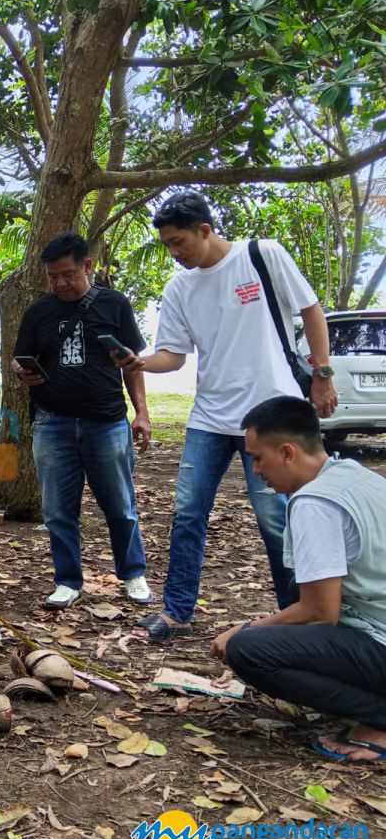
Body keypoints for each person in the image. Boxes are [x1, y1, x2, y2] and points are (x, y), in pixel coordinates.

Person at [117, 190, 339, 643]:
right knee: (187, 513)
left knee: (276, 518)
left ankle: (296, 615)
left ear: (204, 230)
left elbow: (311, 310)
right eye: (166, 246)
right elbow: (174, 357)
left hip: (270, 415)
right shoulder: (179, 288)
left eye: (178, 242)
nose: (174, 254)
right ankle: (178, 611)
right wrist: (138, 362)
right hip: (209, 418)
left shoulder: (260, 255)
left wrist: (323, 374)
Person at [213, 397, 386, 762]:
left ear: (288, 452)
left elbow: (322, 613)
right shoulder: (352, 473)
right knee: (293, 595)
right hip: (375, 619)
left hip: (380, 637)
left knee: (249, 650)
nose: (255, 470)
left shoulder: (314, 503)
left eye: (258, 457)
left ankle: (379, 720)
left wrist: (246, 628)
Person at [13, 232, 152, 611]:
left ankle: (133, 573)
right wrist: (22, 371)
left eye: (68, 274)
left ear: (88, 266)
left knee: (120, 505)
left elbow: (133, 365)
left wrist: (141, 412)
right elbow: (20, 357)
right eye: (53, 276)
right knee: (58, 510)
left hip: (106, 422)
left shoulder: (115, 304)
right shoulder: (39, 311)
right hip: (53, 423)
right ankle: (68, 580)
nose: (60, 283)